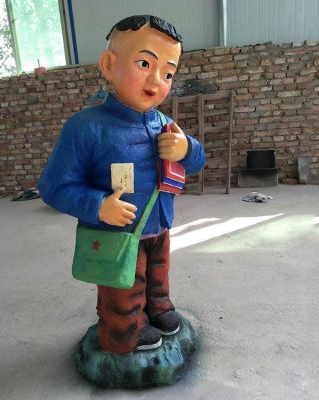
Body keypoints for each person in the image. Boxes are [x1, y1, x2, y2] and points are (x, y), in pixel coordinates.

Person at [38, 15, 205, 354]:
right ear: (108, 65)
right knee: (122, 287)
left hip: (159, 224)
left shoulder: (165, 124)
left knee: (157, 274)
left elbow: (196, 162)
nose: (156, 81)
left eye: (168, 73)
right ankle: (124, 331)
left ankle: (159, 307)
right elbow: (54, 186)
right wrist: (99, 206)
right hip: (115, 233)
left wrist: (187, 148)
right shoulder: (85, 127)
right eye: (144, 63)